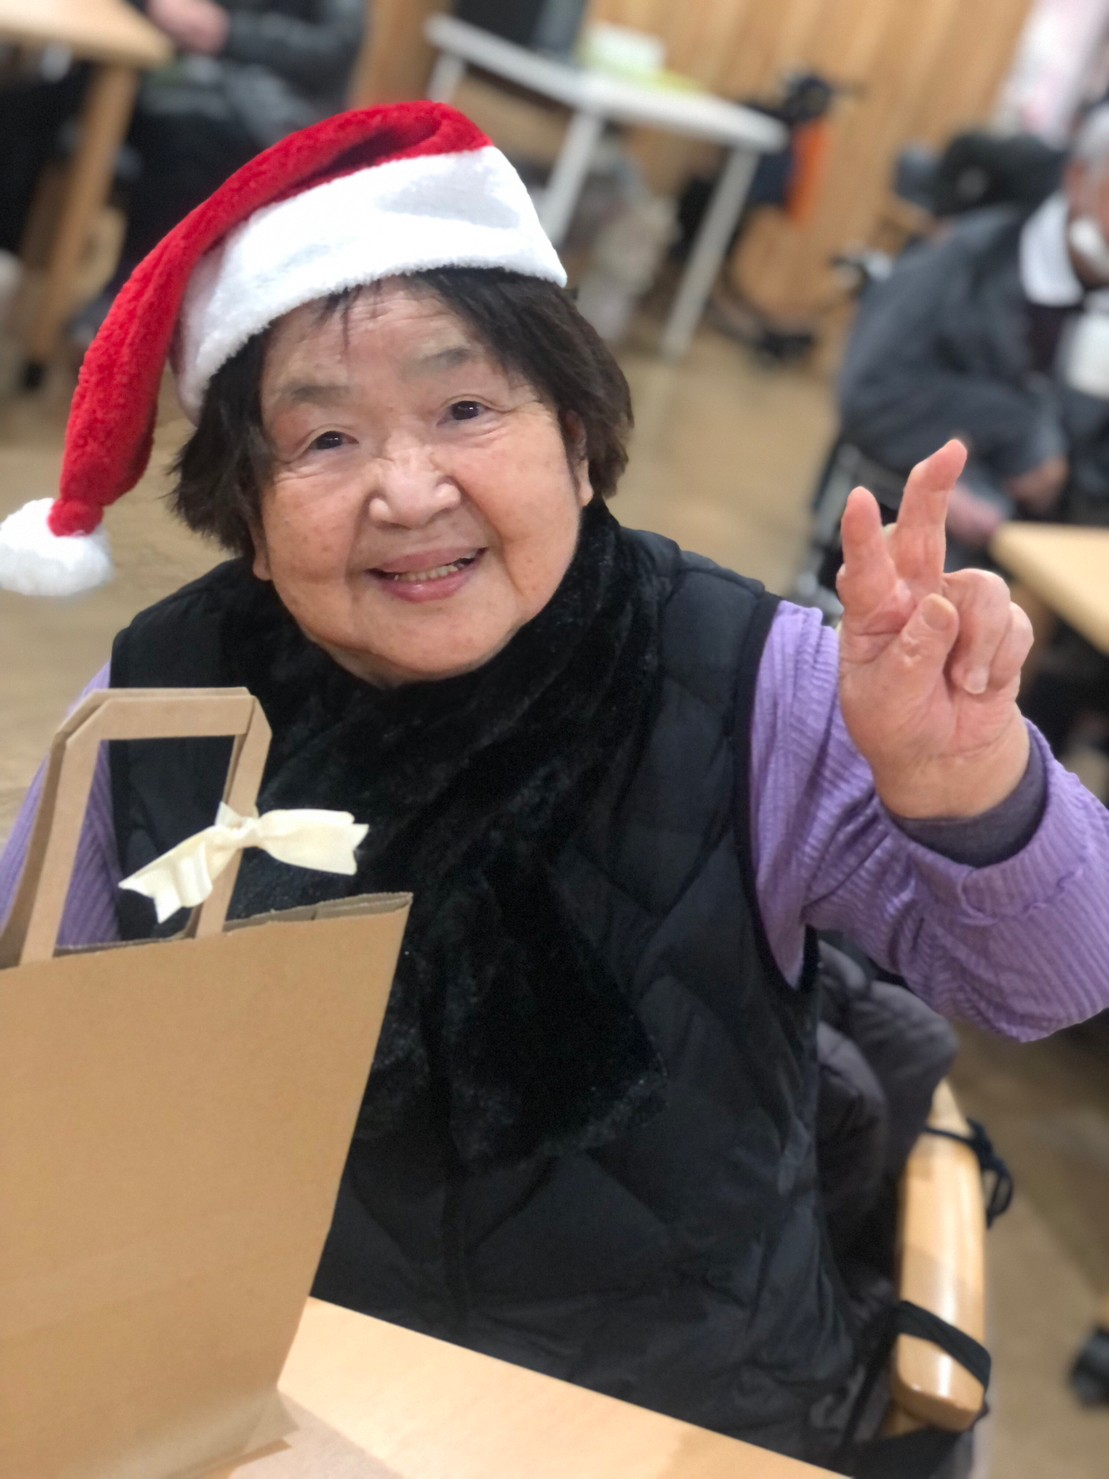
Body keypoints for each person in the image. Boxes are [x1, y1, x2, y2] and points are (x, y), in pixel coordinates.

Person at [0, 103, 1107, 1476]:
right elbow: (35, 1057)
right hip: (259, 1392)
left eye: (466, 408)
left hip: (679, 1410)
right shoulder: (164, 691)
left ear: (578, 440)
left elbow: (1057, 974)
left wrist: (968, 781)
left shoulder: (752, 674)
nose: (409, 490)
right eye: (323, 440)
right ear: (250, 517)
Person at [838, 105, 1109, 558]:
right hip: (928, 535)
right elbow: (870, 394)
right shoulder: (968, 262)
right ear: (1078, 178)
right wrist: (1018, 430)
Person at [0, 0, 364, 314]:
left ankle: (133, 300)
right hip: (161, 74)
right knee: (30, 105)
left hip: (260, 110)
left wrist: (228, 32)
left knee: (187, 137)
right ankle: (16, 254)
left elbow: (333, 49)